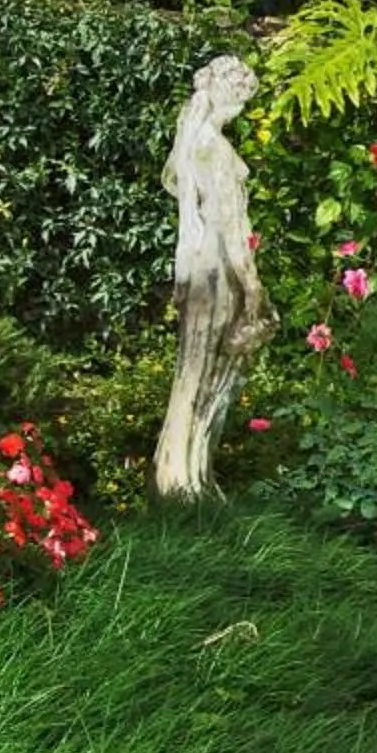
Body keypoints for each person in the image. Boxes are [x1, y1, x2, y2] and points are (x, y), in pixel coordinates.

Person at [153, 53, 276, 497]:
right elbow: (231, 227)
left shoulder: (194, 145)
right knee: (205, 373)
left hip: (196, 267)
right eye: (242, 99)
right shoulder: (216, 151)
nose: (241, 109)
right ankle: (184, 479)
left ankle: (180, 473)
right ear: (229, 94)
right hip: (219, 271)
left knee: (193, 369)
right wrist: (253, 287)